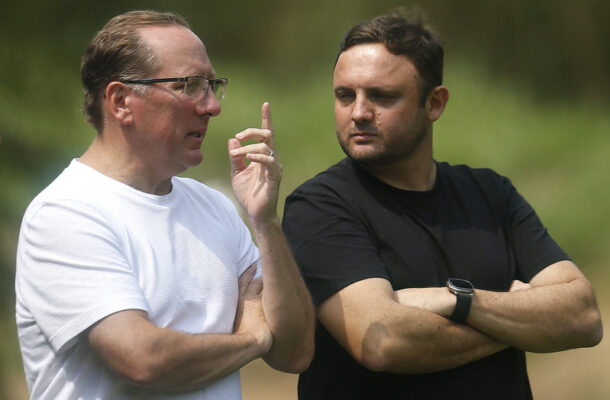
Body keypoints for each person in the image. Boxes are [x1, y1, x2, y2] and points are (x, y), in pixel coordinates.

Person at [281, 13, 602, 400]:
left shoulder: (490, 193)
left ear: (435, 103)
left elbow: (583, 316)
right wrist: (519, 317)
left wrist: (458, 301)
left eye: (382, 96)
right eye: (345, 95)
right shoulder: (318, 206)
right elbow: (382, 342)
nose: (359, 112)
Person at [15, 10, 314, 400]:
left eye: (211, 84)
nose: (211, 106)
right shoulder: (65, 214)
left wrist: (265, 222)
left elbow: (295, 351)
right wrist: (255, 338)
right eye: (190, 85)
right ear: (121, 101)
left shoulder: (217, 208)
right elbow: (142, 359)